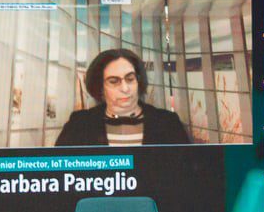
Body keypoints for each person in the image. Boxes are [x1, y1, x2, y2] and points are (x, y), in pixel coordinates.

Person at [55, 49, 193, 147]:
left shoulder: (168, 123)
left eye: (130, 79)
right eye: (114, 81)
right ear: (100, 87)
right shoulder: (79, 125)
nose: (125, 88)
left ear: (139, 81)